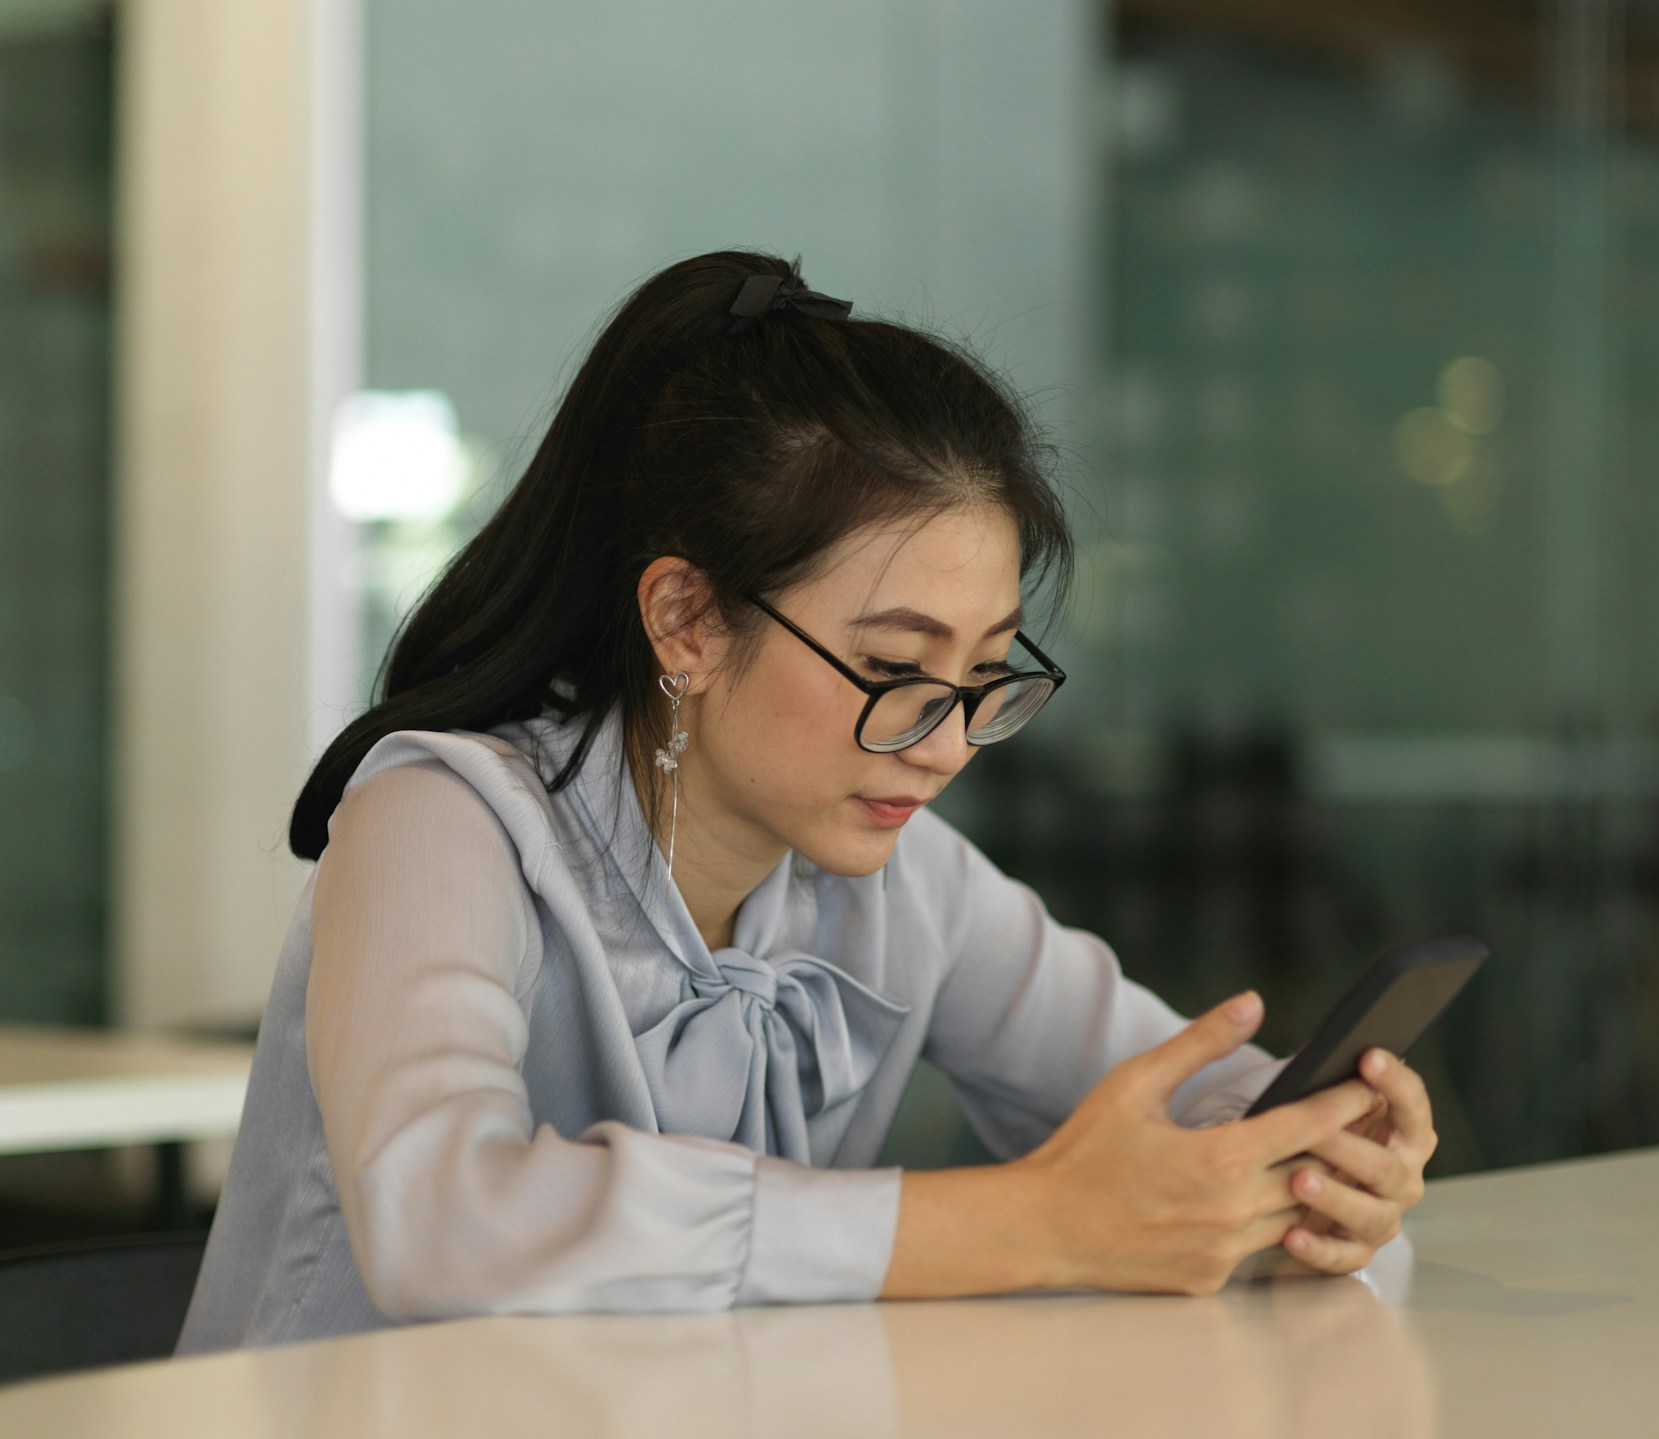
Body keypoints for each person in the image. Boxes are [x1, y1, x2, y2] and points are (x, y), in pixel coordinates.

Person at [175, 251, 1437, 1352]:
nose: (943, 746)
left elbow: (1179, 1092)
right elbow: (440, 1215)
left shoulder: (902, 875)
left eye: (985, 671)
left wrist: (1317, 1168)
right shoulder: (444, 818)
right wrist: (1023, 1217)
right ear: (687, 619)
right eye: (893, 668)